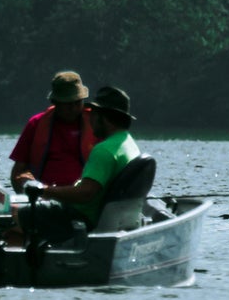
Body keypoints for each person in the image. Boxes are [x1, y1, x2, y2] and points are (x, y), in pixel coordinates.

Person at [22, 83, 145, 242]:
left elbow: (84, 194)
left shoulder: (104, 150)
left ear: (105, 118)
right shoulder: (128, 144)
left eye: (94, 113)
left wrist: (43, 190)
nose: (90, 117)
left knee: (25, 213)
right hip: (113, 219)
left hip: (84, 220)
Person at [9, 71, 94, 195]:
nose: (74, 108)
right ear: (56, 102)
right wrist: (24, 184)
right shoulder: (36, 124)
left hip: (84, 200)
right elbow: (17, 174)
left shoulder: (96, 122)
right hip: (44, 200)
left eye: (78, 102)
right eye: (68, 104)